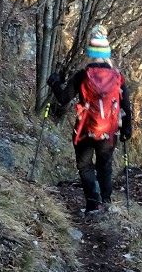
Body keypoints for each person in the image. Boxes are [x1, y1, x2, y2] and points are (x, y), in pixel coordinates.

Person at [49, 26, 133, 215]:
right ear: (107, 54)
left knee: (85, 166)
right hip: (109, 132)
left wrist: (54, 81)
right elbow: (126, 106)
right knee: (105, 166)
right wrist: (127, 129)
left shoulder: (82, 75)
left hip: (85, 129)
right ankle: (106, 202)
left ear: (90, 52)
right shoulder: (118, 78)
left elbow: (63, 98)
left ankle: (93, 204)